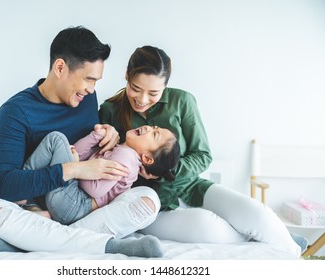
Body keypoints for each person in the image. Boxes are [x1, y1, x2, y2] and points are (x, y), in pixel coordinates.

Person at [0, 27, 164, 258]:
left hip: (81, 210)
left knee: (148, 199)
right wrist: (73, 169)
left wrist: (110, 134)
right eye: (88, 79)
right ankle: (109, 246)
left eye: (96, 81)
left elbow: (93, 151)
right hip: (36, 208)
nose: (92, 89)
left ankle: (29, 240)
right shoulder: (15, 112)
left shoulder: (86, 98)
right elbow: (2, 187)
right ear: (60, 68)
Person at [98, 45, 302, 256]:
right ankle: (273, 238)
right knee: (209, 226)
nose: (142, 99)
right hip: (151, 203)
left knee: (257, 213)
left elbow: (202, 156)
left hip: (191, 186)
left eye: (153, 93)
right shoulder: (109, 111)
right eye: (136, 88)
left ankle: (293, 250)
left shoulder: (182, 102)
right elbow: (107, 168)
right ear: (126, 76)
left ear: (166, 86)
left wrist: (167, 171)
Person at [21, 124, 180, 225]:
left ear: (147, 158)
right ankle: (35, 207)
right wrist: (95, 137)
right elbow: (77, 153)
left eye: (154, 134)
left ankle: (22, 189)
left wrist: (77, 166)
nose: (148, 128)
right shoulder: (121, 150)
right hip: (70, 204)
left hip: (75, 204)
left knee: (56, 139)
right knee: (60, 148)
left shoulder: (126, 157)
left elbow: (94, 190)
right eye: (154, 127)